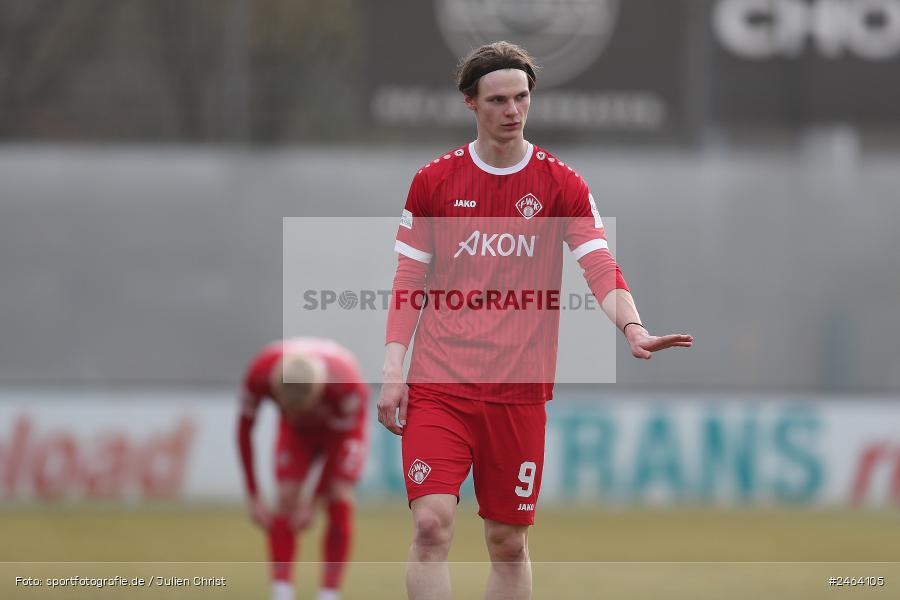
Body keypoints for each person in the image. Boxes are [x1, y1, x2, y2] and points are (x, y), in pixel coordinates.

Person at [378, 41, 693, 600]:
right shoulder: (435, 182)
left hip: (518, 392)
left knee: (507, 543)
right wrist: (393, 369)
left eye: (521, 97)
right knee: (430, 527)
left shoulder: (560, 184)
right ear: (470, 103)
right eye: (497, 99)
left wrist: (633, 327)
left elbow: (598, 263)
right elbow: (408, 284)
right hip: (439, 386)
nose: (512, 110)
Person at [238, 338, 368, 600]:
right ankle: (282, 591)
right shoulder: (259, 374)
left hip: (342, 433)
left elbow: (335, 448)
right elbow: (244, 432)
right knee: (285, 498)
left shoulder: (346, 384)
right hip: (296, 435)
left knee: (338, 495)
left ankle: (329, 593)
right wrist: (253, 495)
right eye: (288, 409)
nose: (297, 414)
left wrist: (314, 501)